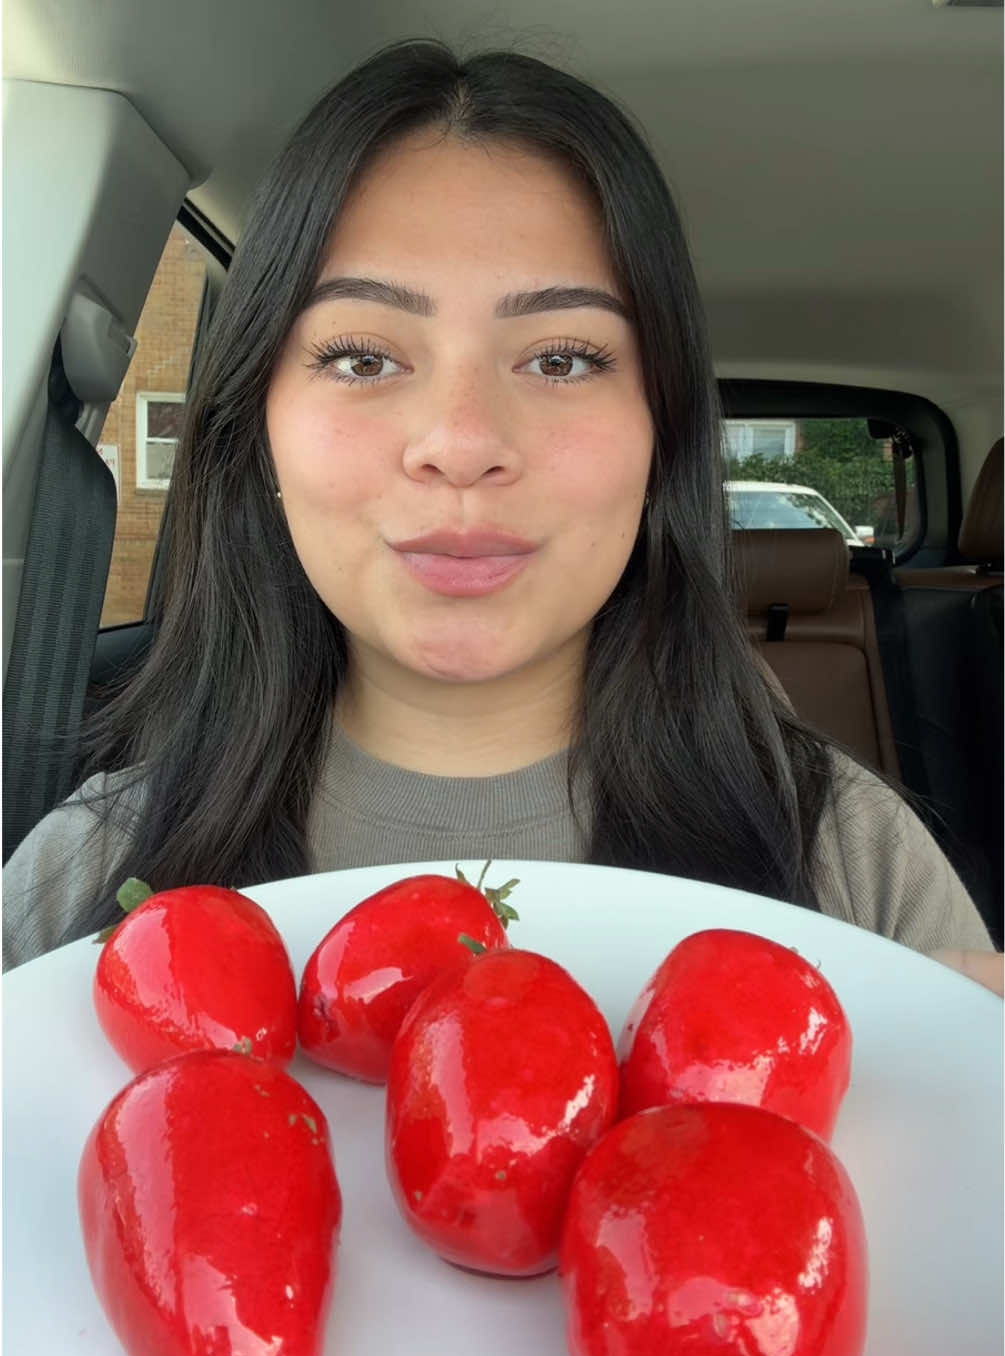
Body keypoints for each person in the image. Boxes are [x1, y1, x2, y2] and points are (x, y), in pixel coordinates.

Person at [3, 40, 1000, 993]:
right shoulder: (81, 884)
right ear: (260, 429)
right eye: (363, 357)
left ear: (663, 436)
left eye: (562, 359)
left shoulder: (852, 866)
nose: (462, 440)